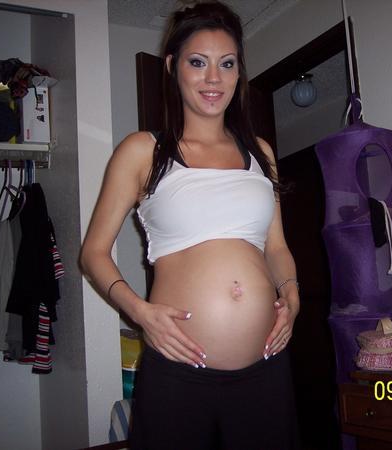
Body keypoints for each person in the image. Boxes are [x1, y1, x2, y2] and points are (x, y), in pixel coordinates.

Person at [80, 2, 300, 449]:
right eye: (198, 62)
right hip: (178, 373)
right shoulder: (142, 151)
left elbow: (275, 247)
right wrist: (139, 312)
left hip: (266, 366)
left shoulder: (260, 153)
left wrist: (292, 296)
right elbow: (93, 253)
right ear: (172, 66)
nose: (213, 78)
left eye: (227, 64)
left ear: (239, 73)